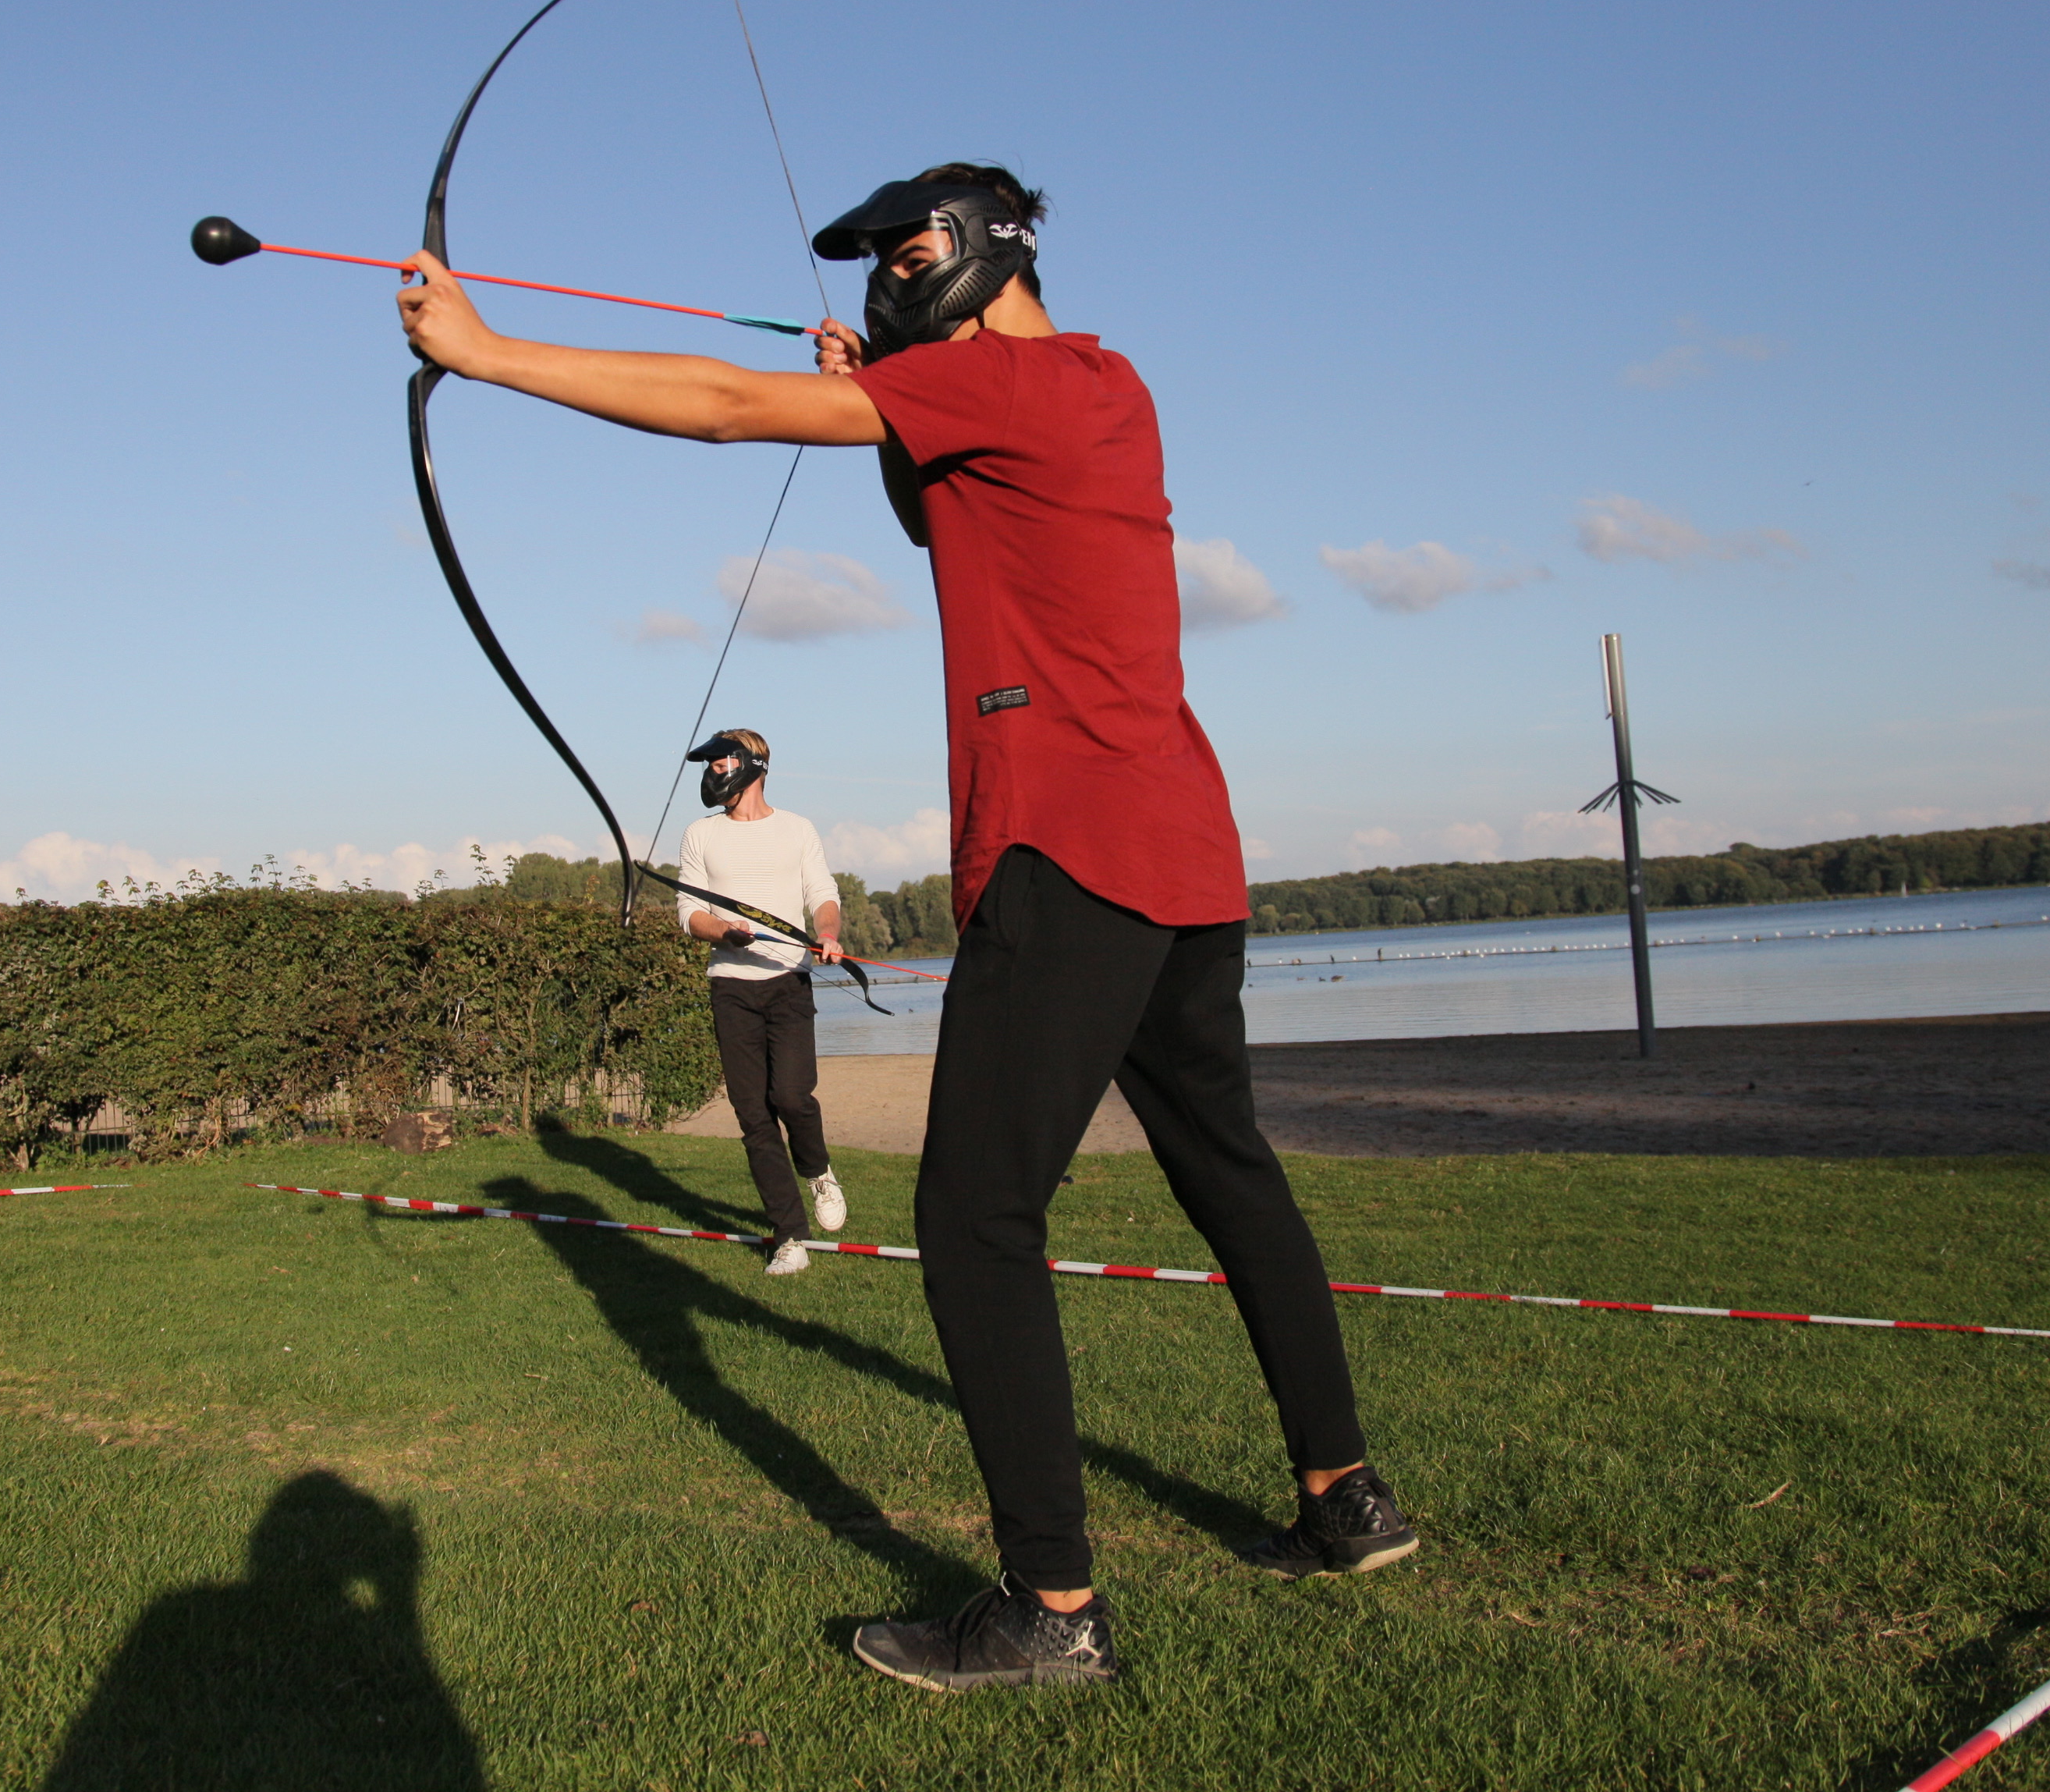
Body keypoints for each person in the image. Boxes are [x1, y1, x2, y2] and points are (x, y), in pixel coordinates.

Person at [398, 162, 1413, 1691]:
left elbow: (725, 408)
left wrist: (487, 354)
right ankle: (1347, 1497)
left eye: (899, 256)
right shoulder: (1101, 387)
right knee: (1229, 1169)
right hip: (1184, 852)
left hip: (1069, 850)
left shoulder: (1000, 381)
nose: (881, 280)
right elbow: (950, 523)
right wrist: (884, 399)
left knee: (974, 1219)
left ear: (973, 251)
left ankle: (1053, 1610)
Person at [673, 729, 849, 1276]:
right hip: (731, 986)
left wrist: (827, 933)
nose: (712, 773)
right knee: (753, 1115)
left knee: (791, 1097)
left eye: (719, 763)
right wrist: (725, 932)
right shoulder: (700, 834)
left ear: (750, 766)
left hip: (788, 982)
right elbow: (689, 913)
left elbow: (822, 894)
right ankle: (790, 1237)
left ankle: (818, 1172)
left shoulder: (797, 829)